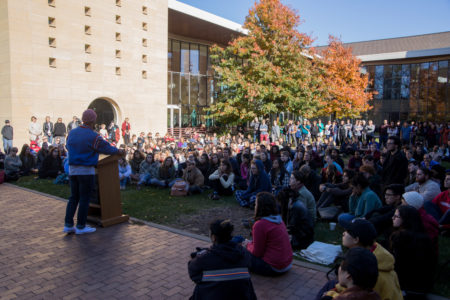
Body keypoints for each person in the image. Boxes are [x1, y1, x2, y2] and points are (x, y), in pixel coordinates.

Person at [64, 109, 124, 235]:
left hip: (73, 170)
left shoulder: (72, 133)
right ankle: (80, 226)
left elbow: (67, 146)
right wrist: (118, 151)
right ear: (93, 120)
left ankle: (68, 225)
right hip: (86, 170)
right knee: (85, 198)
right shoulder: (93, 135)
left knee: (73, 197)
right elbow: (106, 148)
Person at [188, 219, 256, 300]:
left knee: (199, 288)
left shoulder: (203, 259)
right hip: (242, 296)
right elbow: (249, 266)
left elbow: (194, 274)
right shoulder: (244, 253)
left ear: (213, 237)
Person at [389, 205, 435, 298]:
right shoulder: (425, 237)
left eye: (396, 216)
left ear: (406, 219)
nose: (392, 218)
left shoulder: (401, 237)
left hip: (406, 286)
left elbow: (396, 264)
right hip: (423, 286)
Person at [243, 192, 293, 276]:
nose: (255, 207)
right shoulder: (279, 220)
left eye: (256, 204)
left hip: (274, 268)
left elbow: (257, 253)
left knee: (240, 251)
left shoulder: (260, 225)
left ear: (260, 207)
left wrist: (247, 245)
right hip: (287, 264)